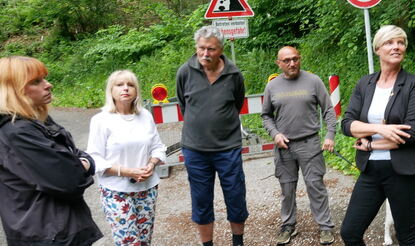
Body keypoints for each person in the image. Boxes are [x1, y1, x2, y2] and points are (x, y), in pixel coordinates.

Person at [339, 25, 415, 246]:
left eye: (400, 43)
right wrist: (381, 129)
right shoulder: (365, 84)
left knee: (405, 234)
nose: (396, 47)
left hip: (404, 172)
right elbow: (347, 124)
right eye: (389, 42)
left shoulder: (414, 84)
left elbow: (412, 134)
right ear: (377, 49)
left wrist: (371, 145)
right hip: (371, 171)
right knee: (350, 232)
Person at [0, 56, 103, 246]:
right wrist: (82, 163)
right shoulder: (18, 132)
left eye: (44, 78)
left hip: (55, 231)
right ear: (13, 90)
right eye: (36, 82)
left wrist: (82, 161)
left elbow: (76, 157)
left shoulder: (37, 122)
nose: (48, 85)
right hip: (47, 235)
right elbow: (70, 179)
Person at [176, 26, 248, 246]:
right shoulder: (185, 72)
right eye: (201, 48)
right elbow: (183, 105)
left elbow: (237, 103)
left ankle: (238, 242)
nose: (205, 53)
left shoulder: (234, 74)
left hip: (228, 148)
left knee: (236, 197)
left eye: (211, 49)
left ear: (221, 49)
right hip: (195, 150)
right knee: (201, 201)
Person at [261, 46, 337, 245]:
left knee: (315, 186)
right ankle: (288, 225)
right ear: (278, 63)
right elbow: (266, 116)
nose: (292, 63)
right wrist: (275, 134)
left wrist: (330, 135)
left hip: (309, 143)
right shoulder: (272, 86)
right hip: (284, 147)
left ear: (300, 59)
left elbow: (328, 110)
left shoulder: (313, 81)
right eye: (286, 60)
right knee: (287, 189)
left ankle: (325, 227)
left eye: (295, 59)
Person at [86, 70, 167, 245]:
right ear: (111, 90)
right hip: (116, 190)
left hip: (146, 187)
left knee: (144, 240)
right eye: (120, 84)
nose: (126, 88)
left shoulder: (145, 116)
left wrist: (151, 165)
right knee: (129, 242)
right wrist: (127, 171)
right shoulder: (101, 120)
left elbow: (158, 147)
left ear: (136, 91)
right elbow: (94, 159)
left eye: (130, 85)